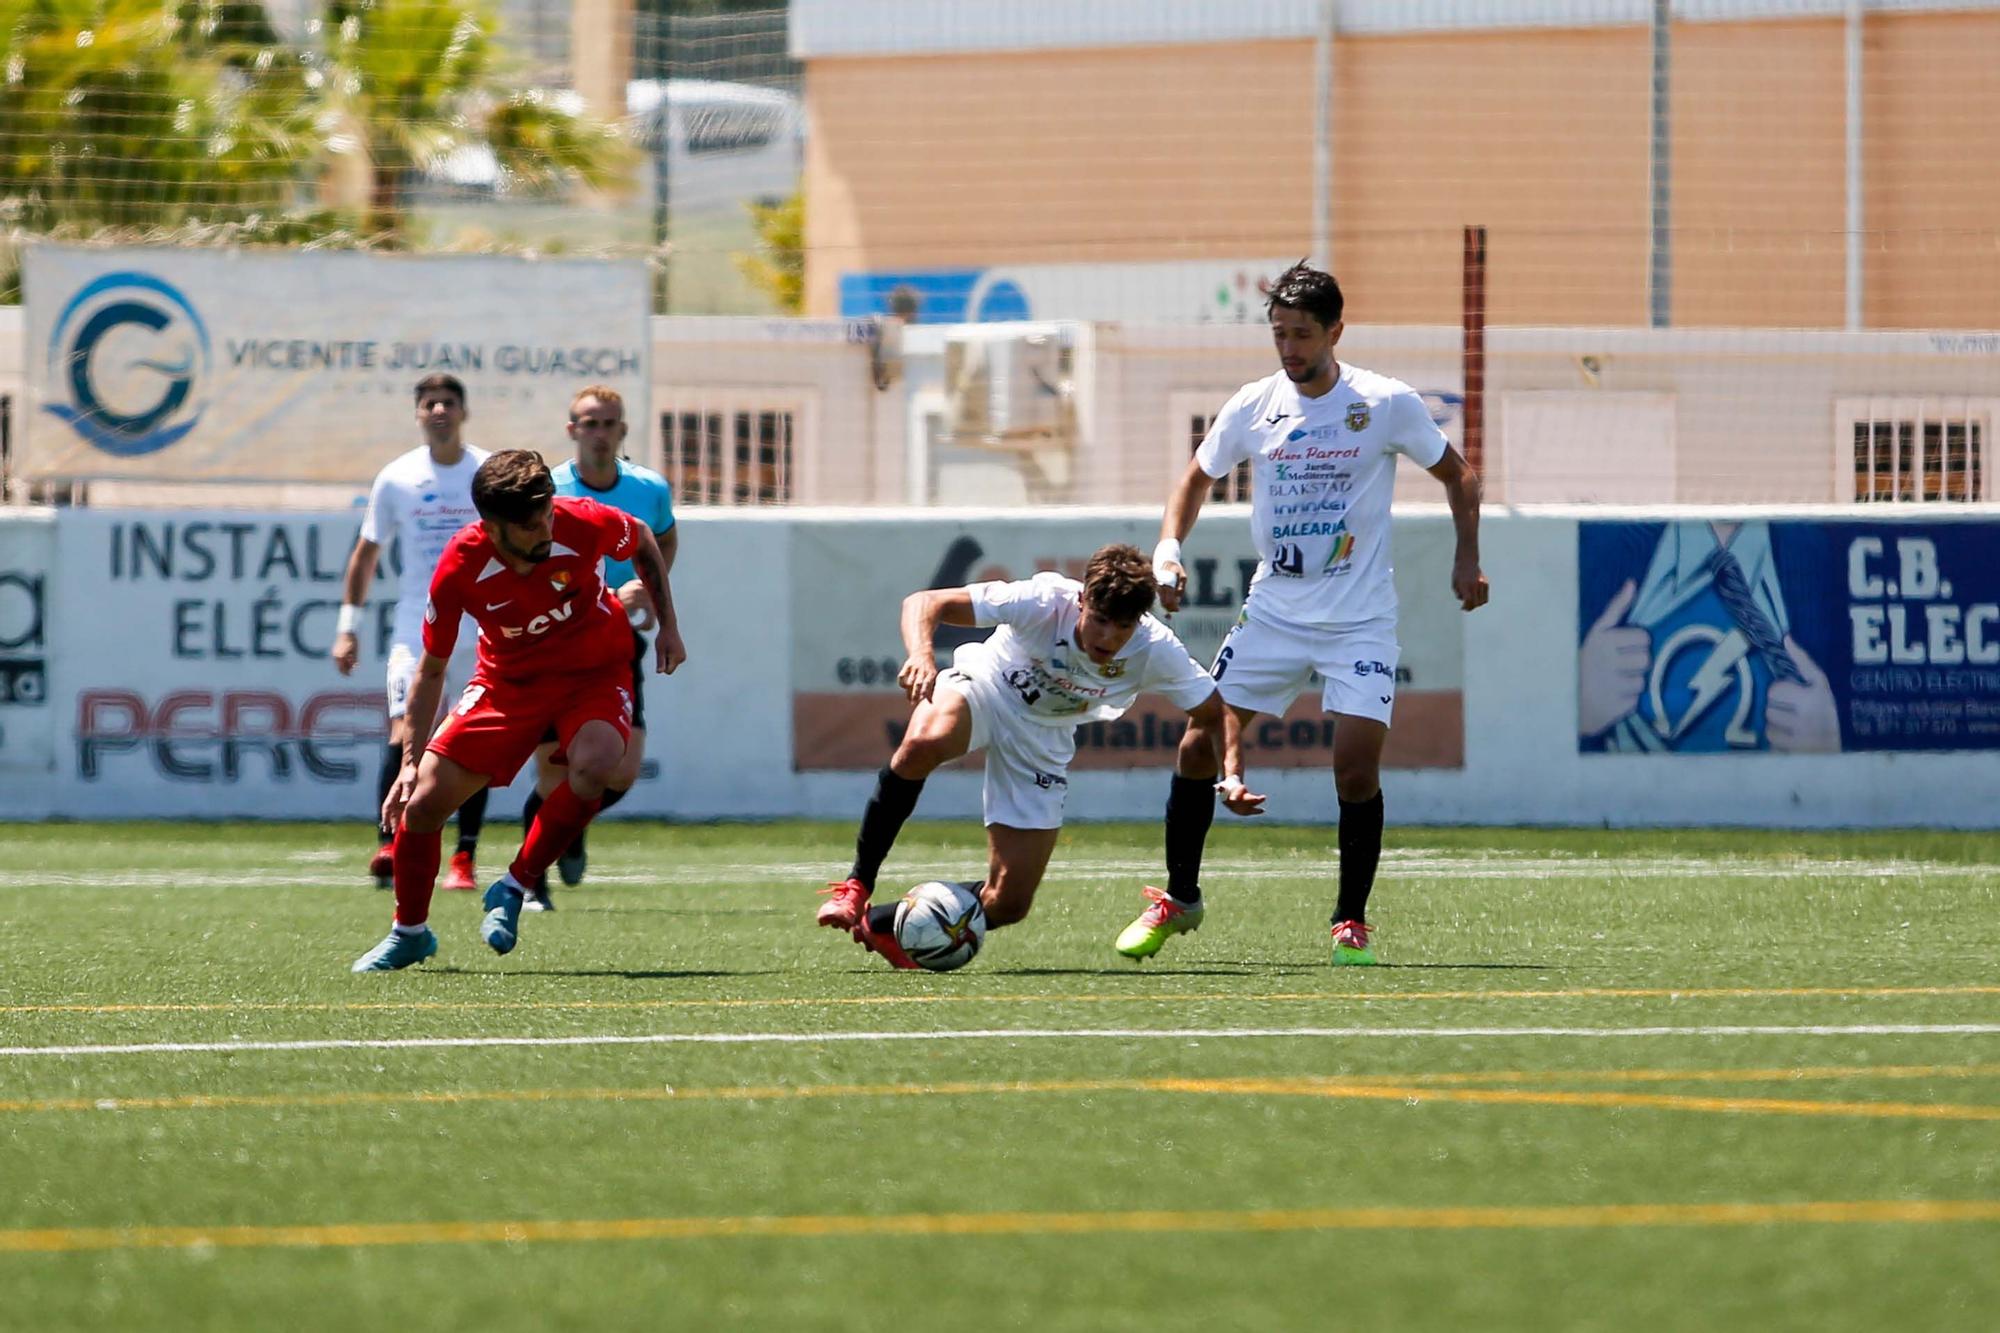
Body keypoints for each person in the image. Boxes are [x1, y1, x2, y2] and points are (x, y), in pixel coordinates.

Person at [1128, 260, 1488, 966]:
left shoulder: (1383, 402)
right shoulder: (1254, 404)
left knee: (1354, 768)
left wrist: (1465, 557)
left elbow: (1460, 475)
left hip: (1359, 618)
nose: (1288, 349)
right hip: (1273, 612)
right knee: (1198, 747)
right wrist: (1169, 547)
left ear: (1335, 332)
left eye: (1301, 335)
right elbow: (1195, 478)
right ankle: (1179, 897)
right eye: (1279, 334)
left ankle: (1350, 919)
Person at [816, 543, 1262, 969]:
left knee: (1009, 903)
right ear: (1082, 600)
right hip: (986, 686)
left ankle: (885, 922)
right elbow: (924, 602)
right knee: (925, 742)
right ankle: (857, 885)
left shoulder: (1154, 648)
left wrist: (1233, 776)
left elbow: (1214, 710)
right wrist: (922, 654)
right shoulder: (1044, 600)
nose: (1109, 637)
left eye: (1123, 626)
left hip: (1042, 739)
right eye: (1101, 620)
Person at [350, 450, 686, 973]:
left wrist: (669, 624)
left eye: (548, 513)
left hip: (592, 672)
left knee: (597, 765)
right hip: (507, 685)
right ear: (492, 526)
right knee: (423, 805)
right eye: (531, 525)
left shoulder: (579, 520)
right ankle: (410, 932)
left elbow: (642, 537)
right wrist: (411, 761)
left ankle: (515, 884)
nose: (546, 529)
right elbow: (431, 669)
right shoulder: (461, 565)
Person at [517, 385, 679, 911]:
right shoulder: (549, 489)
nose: (600, 433)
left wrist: (651, 592)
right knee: (554, 772)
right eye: (589, 423)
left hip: (616, 640)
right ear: (571, 431)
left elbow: (664, 539)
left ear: (623, 430)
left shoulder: (649, 488)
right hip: (554, 641)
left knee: (622, 771)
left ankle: (571, 825)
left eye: (609, 423)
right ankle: (531, 878)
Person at [333, 374, 491, 892]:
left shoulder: (486, 472)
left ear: (464, 412)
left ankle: (463, 857)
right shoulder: (397, 478)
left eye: (449, 402)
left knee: (472, 744)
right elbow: (367, 551)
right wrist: (347, 628)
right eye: (430, 403)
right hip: (417, 628)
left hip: (483, 627)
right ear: (418, 414)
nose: (439, 410)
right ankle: (389, 842)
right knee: (406, 732)